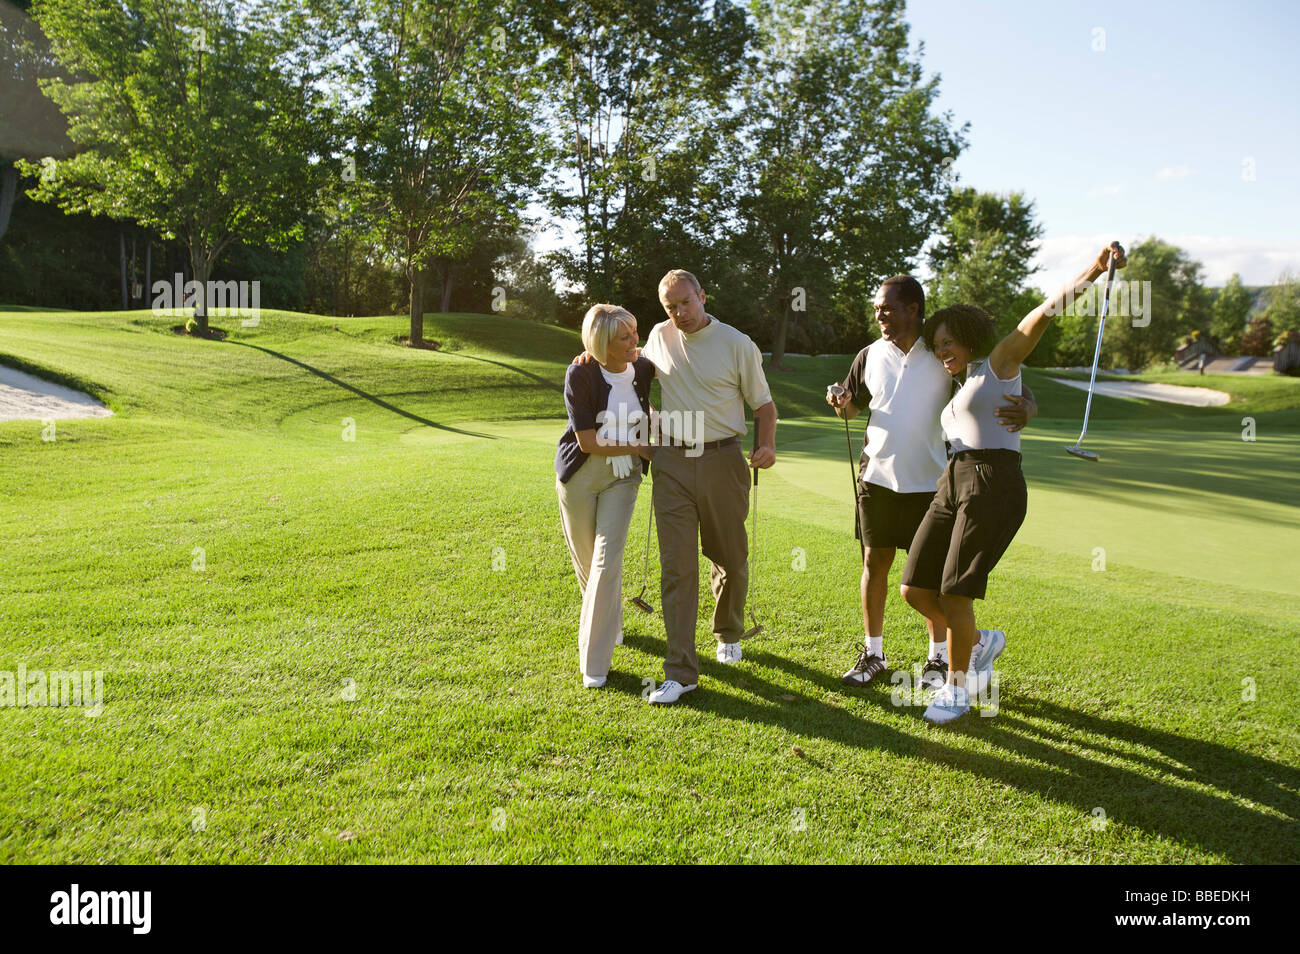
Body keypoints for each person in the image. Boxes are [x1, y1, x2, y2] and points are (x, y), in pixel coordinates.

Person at [901, 241, 1127, 724]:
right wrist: (1032, 405)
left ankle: (958, 692)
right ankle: (978, 641)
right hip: (953, 480)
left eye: (949, 343)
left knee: (955, 594)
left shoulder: (999, 365)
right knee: (916, 588)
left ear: (968, 339)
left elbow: (1043, 314)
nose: (942, 351)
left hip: (992, 482)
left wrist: (1094, 268)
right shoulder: (958, 384)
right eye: (936, 345)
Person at [827, 275, 1037, 691]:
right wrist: (840, 402)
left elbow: (1000, 382)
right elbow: (850, 409)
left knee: (931, 580)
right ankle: (873, 654)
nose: (879, 315)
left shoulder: (942, 351)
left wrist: (1028, 405)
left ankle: (938, 660)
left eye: (886, 308)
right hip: (877, 476)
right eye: (876, 309)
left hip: (934, 483)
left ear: (912, 309)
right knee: (875, 564)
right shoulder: (868, 354)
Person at [576, 269, 776, 705]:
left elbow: (764, 406)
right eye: (670, 307)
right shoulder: (658, 336)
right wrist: (586, 356)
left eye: (686, 303)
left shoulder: (738, 344)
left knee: (729, 557)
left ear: (702, 296)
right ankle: (681, 671)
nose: (679, 313)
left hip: (724, 458)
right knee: (676, 568)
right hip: (671, 461)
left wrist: (767, 446)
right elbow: (621, 357)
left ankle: (727, 631)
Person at [555, 304, 656, 688]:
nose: (635, 341)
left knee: (605, 561)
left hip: (624, 477)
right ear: (601, 343)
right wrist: (641, 446)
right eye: (625, 337)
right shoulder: (580, 372)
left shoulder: (644, 366)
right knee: (587, 566)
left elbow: (681, 368)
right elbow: (587, 440)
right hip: (580, 474)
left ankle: (593, 664)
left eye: (635, 332)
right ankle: (609, 625)